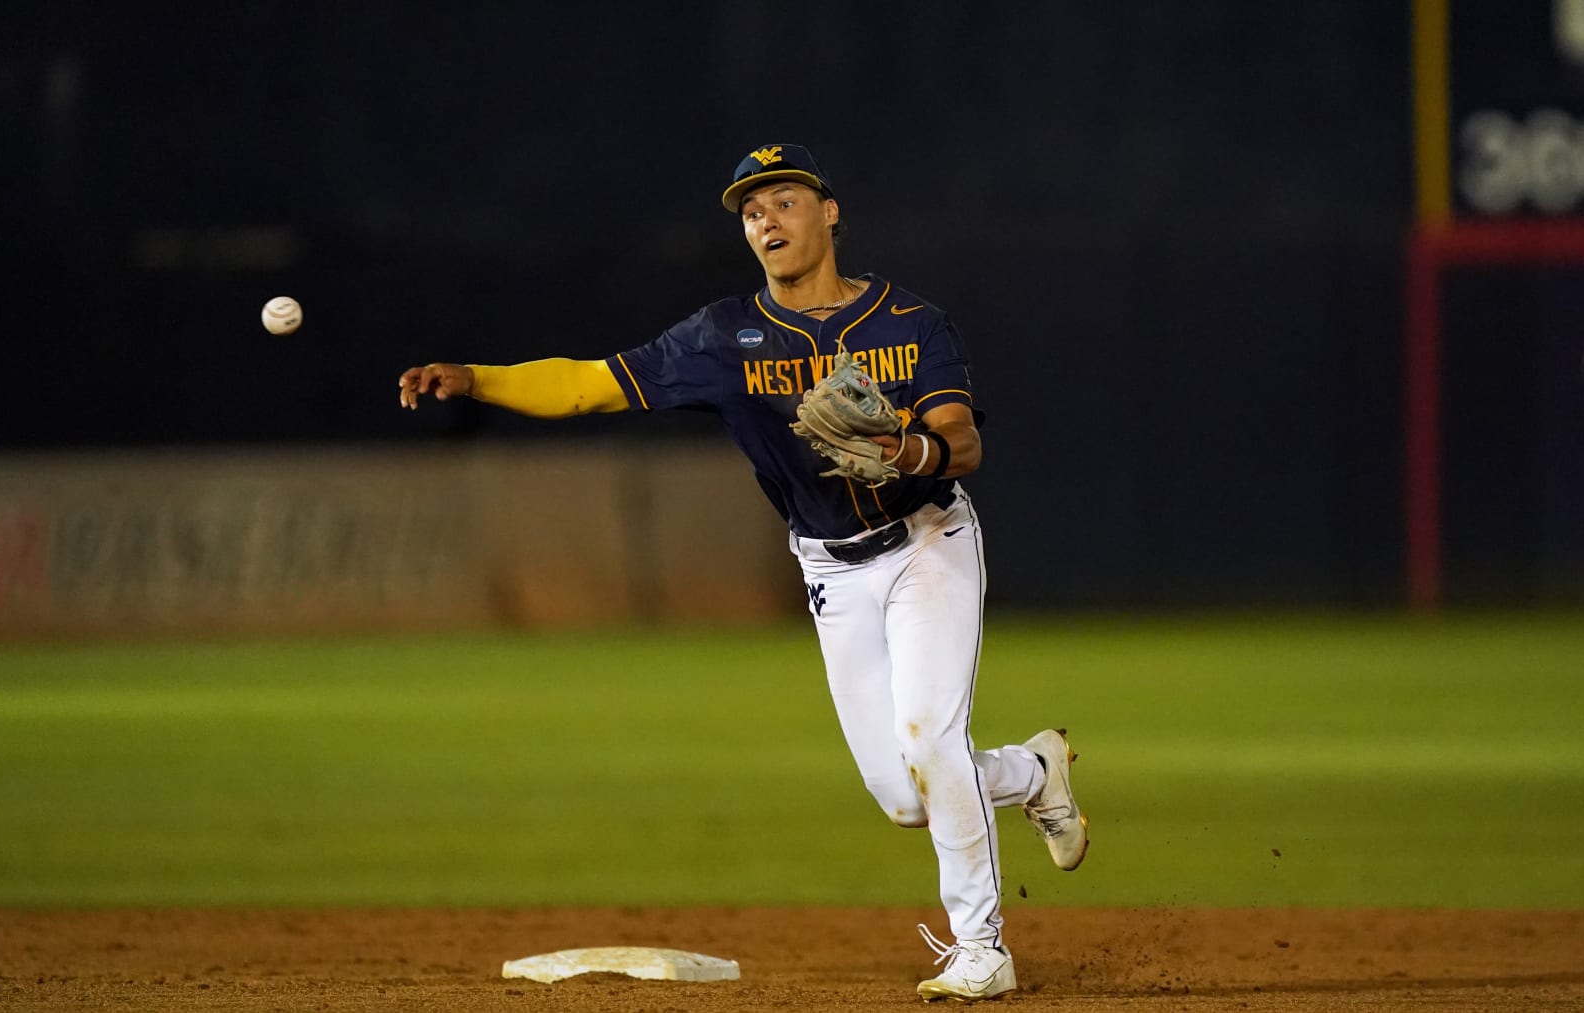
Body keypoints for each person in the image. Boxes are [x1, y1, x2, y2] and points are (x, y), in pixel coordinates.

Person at [397, 143, 1087, 1002]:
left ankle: (981, 945)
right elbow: (587, 386)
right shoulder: (725, 338)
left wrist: (905, 448)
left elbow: (964, 439)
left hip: (926, 542)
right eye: (751, 211)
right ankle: (1031, 771)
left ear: (829, 212)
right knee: (907, 797)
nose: (766, 220)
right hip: (831, 571)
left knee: (929, 740)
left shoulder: (909, 321)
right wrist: (477, 379)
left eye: (783, 200)